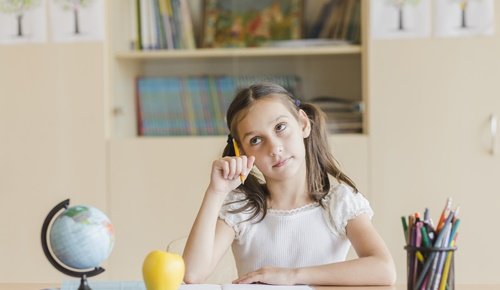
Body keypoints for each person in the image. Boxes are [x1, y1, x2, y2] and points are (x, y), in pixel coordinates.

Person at [182, 83, 396, 285]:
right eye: (256, 140)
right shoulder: (242, 209)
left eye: (280, 127)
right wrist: (216, 192)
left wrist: (292, 276)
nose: (274, 148)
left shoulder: (339, 203)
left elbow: (384, 269)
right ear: (242, 152)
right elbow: (192, 275)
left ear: (303, 123)